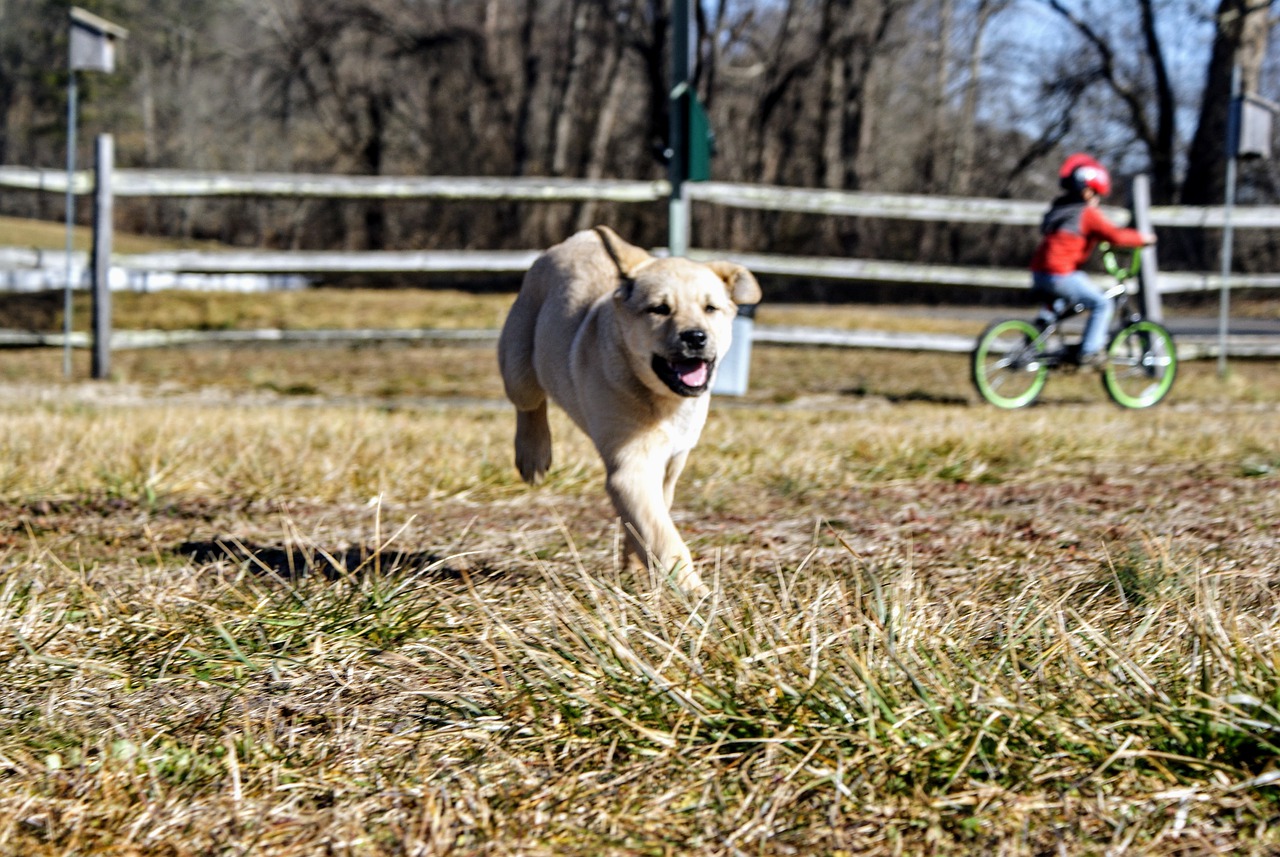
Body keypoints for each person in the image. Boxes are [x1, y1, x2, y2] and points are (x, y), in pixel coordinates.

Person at [1029, 153, 1157, 368]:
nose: (1097, 200)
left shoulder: (1059, 210)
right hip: (1060, 273)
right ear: (1086, 191)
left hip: (1040, 273)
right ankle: (1088, 352)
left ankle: (1034, 338)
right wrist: (1142, 238)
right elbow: (1114, 235)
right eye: (1096, 194)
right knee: (1102, 303)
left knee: (1059, 307)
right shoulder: (1086, 214)